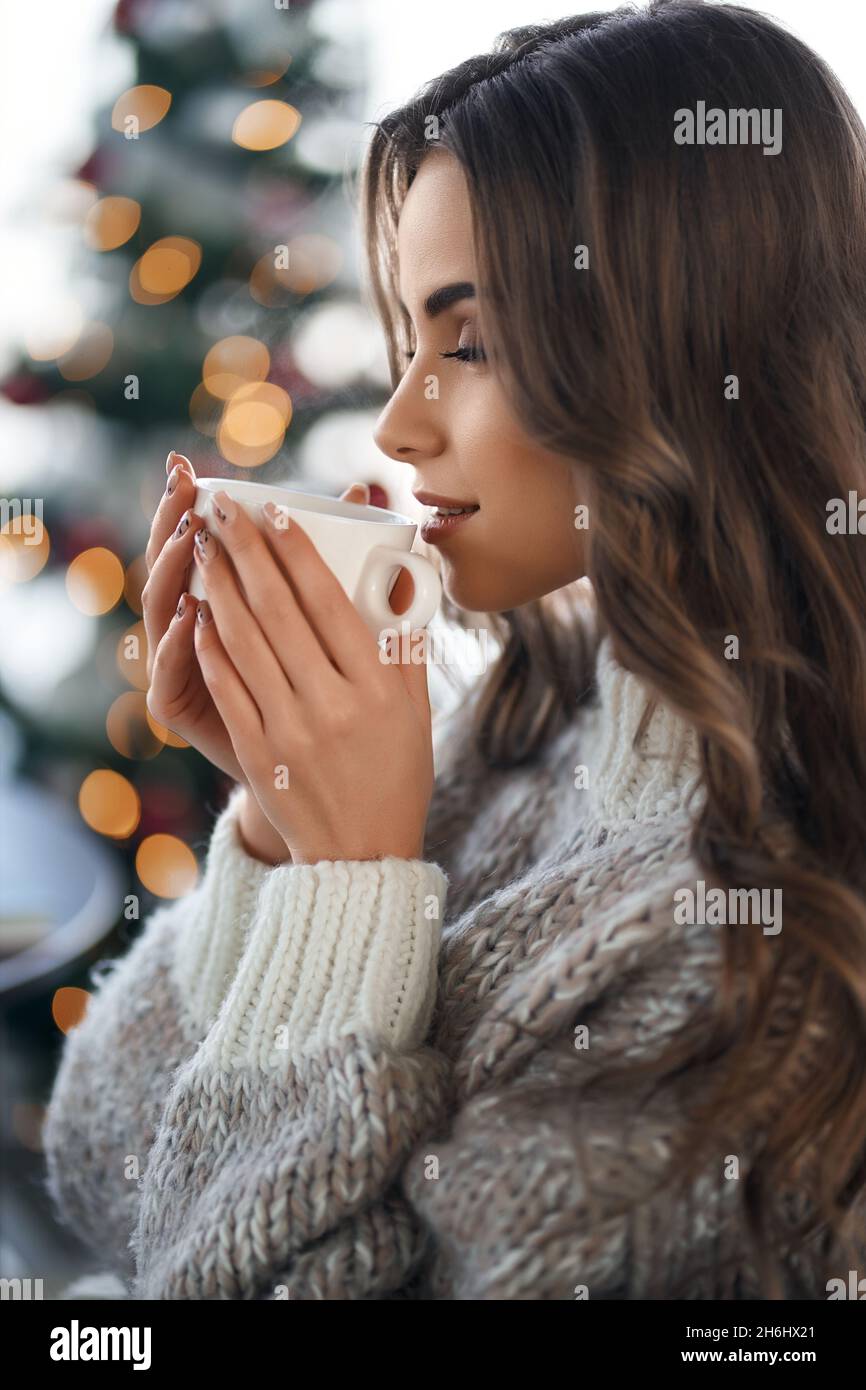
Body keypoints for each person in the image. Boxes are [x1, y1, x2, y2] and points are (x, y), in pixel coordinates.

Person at [42, 0, 866, 1299]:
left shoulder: (757, 946)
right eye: (406, 341)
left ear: (681, 344)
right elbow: (104, 1169)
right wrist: (271, 827)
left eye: (469, 344)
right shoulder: (514, 718)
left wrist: (353, 883)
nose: (399, 425)